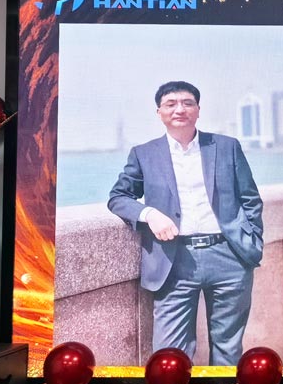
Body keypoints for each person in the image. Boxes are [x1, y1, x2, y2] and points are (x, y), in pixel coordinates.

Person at [108, 81, 264, 366]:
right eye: (171, 104)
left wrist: (252, 241)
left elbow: (250, 198)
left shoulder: (226, 147)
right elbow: (118, 197)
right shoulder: (144, 153)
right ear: (159, 112)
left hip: (229, 257)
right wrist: (150, 214)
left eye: (187, 103)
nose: (179, 109)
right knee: (170, 355)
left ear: (198, 110)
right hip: (173, 260)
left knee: (228, 349)